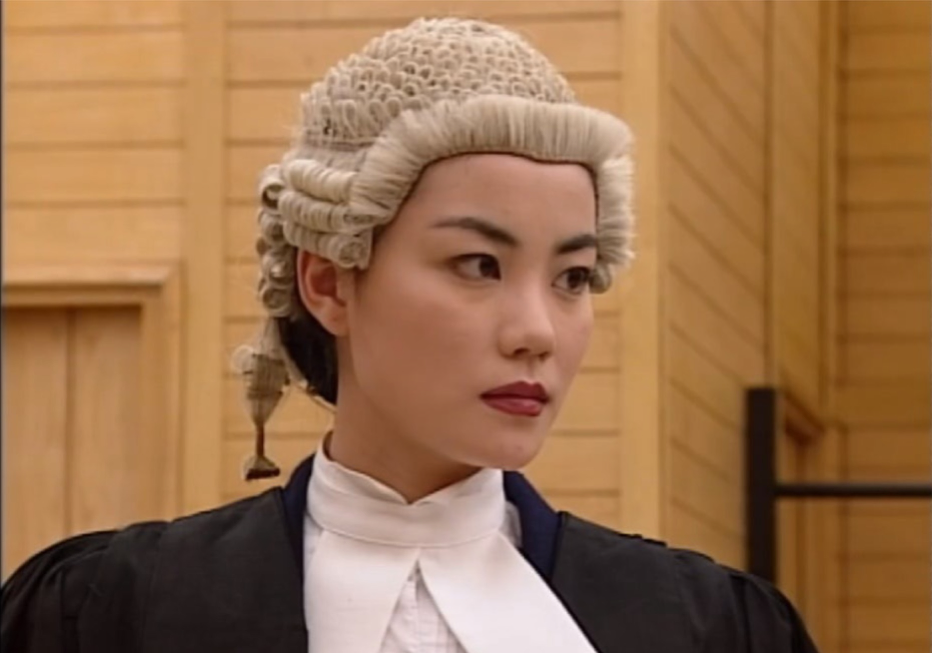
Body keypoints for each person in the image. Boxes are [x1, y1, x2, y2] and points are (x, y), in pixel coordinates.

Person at [1, 17, 818, 653]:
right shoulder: (112, 612)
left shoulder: (705, 624)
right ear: (329, 281)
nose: (537, 331)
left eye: (573, 277)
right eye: (478, 264)